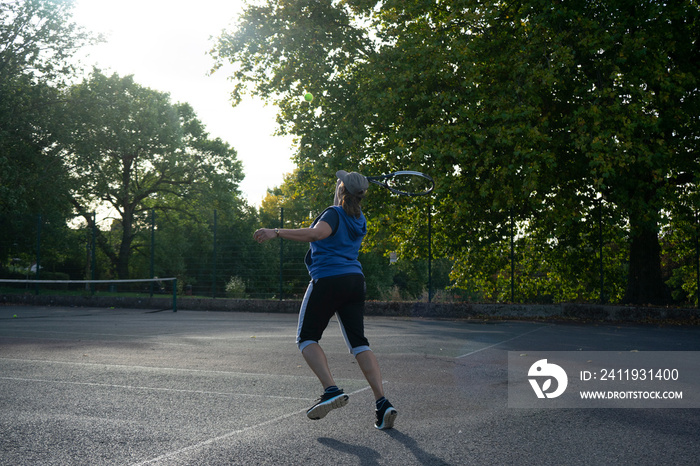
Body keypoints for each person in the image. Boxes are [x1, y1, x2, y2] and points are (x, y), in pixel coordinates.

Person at [253, 170, 397, 430]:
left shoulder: (334, 213)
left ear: (342, 189)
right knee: (359, 343)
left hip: (329, 279)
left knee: (306, 338)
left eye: (339, 181)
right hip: (355, 281)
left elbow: (316, 234)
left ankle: (331, 389)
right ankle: (382, 402)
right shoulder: (359, 217)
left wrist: (276, 231)